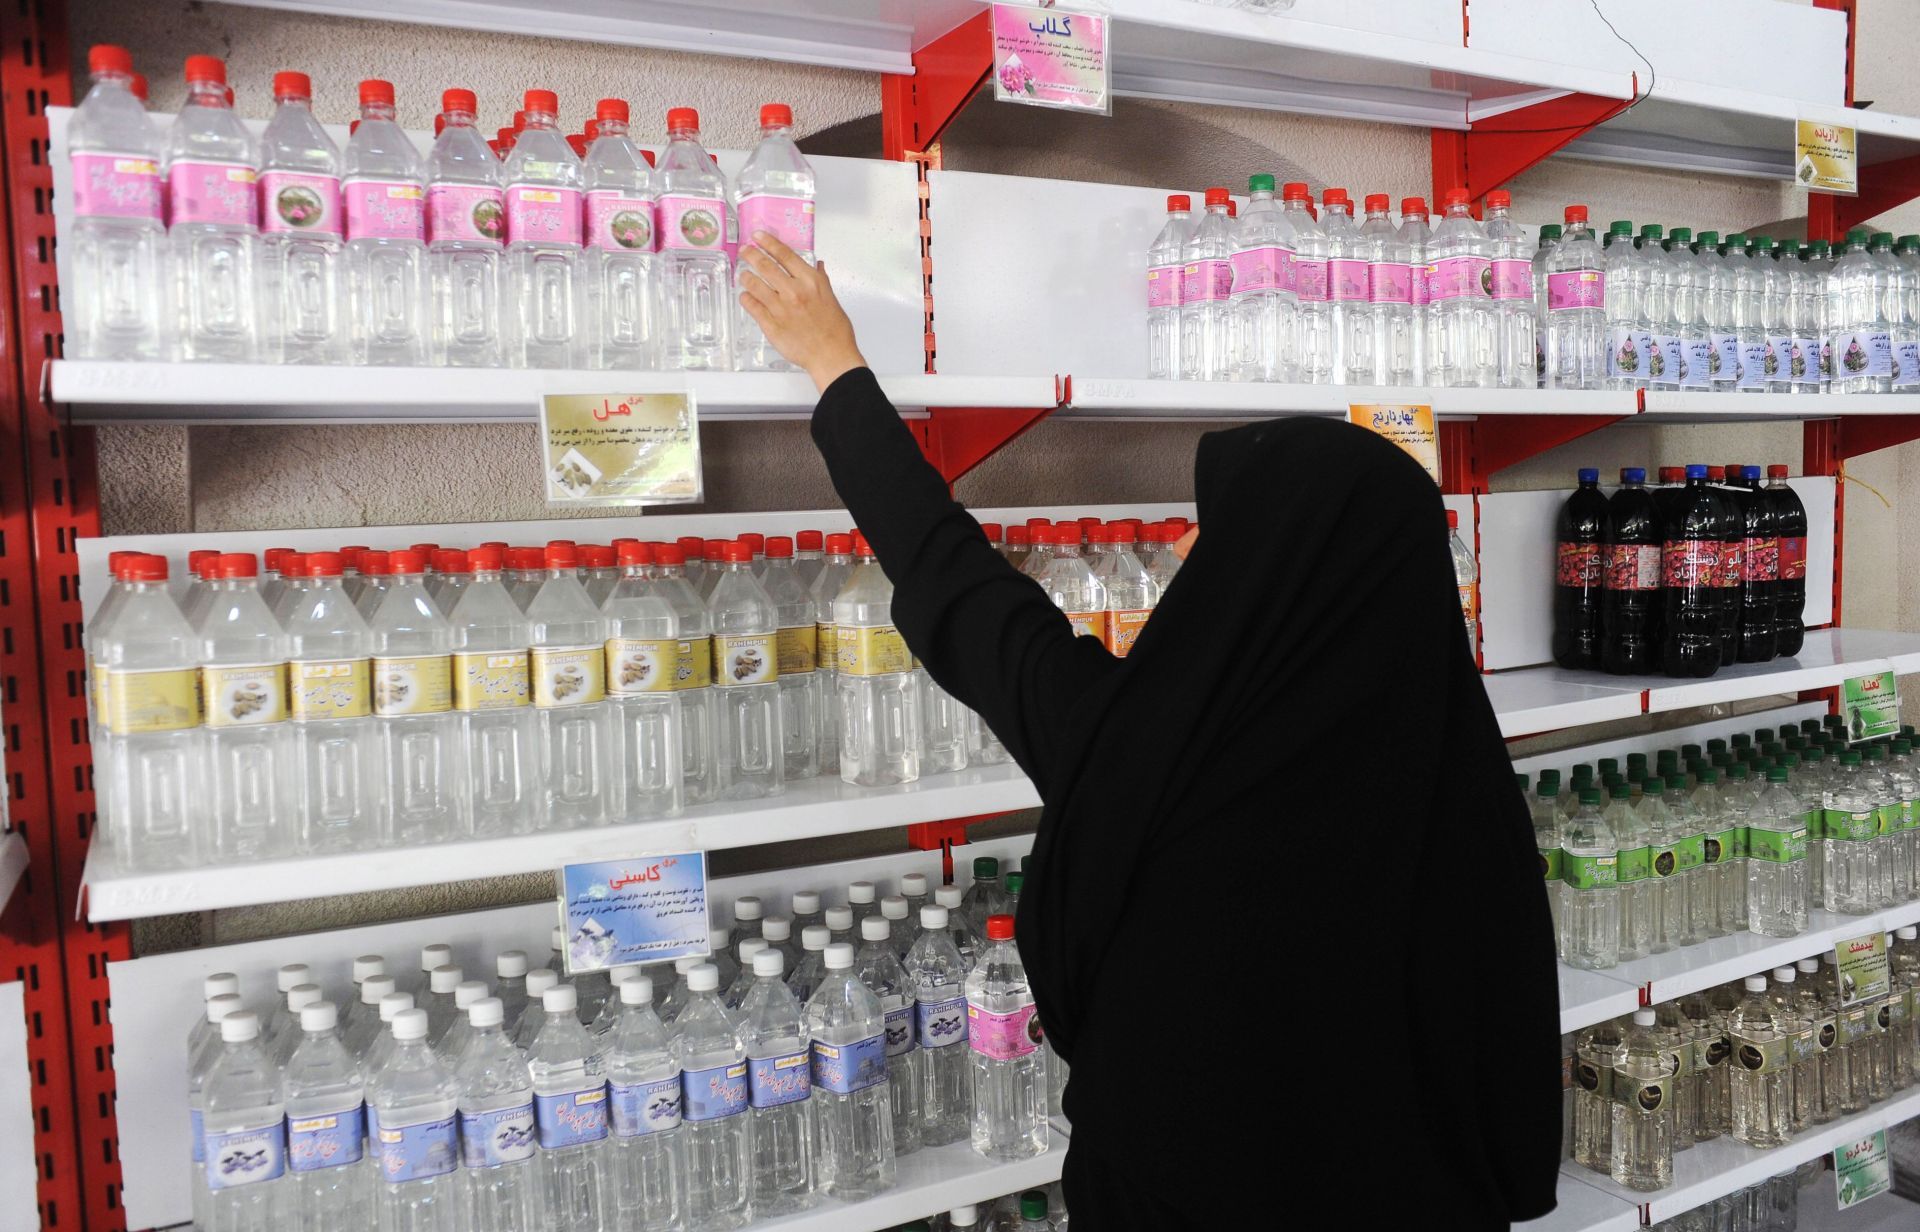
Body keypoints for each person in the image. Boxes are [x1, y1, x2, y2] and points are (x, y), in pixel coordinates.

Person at [737, 232, 1561, 1227]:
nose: (1181, 541)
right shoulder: (1465, 797)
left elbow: (956, 580)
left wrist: (836, 367)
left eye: (1222, 523)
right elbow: (1511, 1092)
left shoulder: (1137, 747)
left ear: (1279, 567)